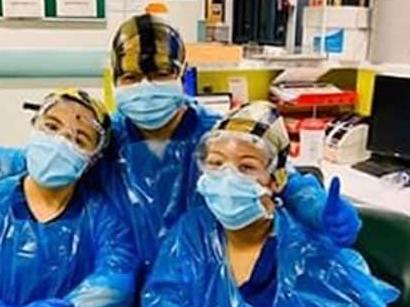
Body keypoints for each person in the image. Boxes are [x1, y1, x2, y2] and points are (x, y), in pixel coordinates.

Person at [0, 13, 361, 293]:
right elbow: (33, 162)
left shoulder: (216, 138)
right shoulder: (104, 139)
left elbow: (280, 176)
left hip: (201, 285)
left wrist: (319, 210)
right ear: (114, 79)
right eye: (130, 78)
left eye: (159, 74)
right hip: (122, 285)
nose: (144, 87)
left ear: (182, 73)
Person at [142, 101, 399, 307]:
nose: (228, 178)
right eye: (216, 163)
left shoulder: (304, 251)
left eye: (247, 167)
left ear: (276, 180)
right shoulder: (193, 231)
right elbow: (163, 297)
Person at [0, 89, 137, 307]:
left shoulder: (104, 220)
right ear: (35, 125)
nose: (61, 141)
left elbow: (114, 283)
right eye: (52, 127)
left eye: (80, 140)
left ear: (92, 160)